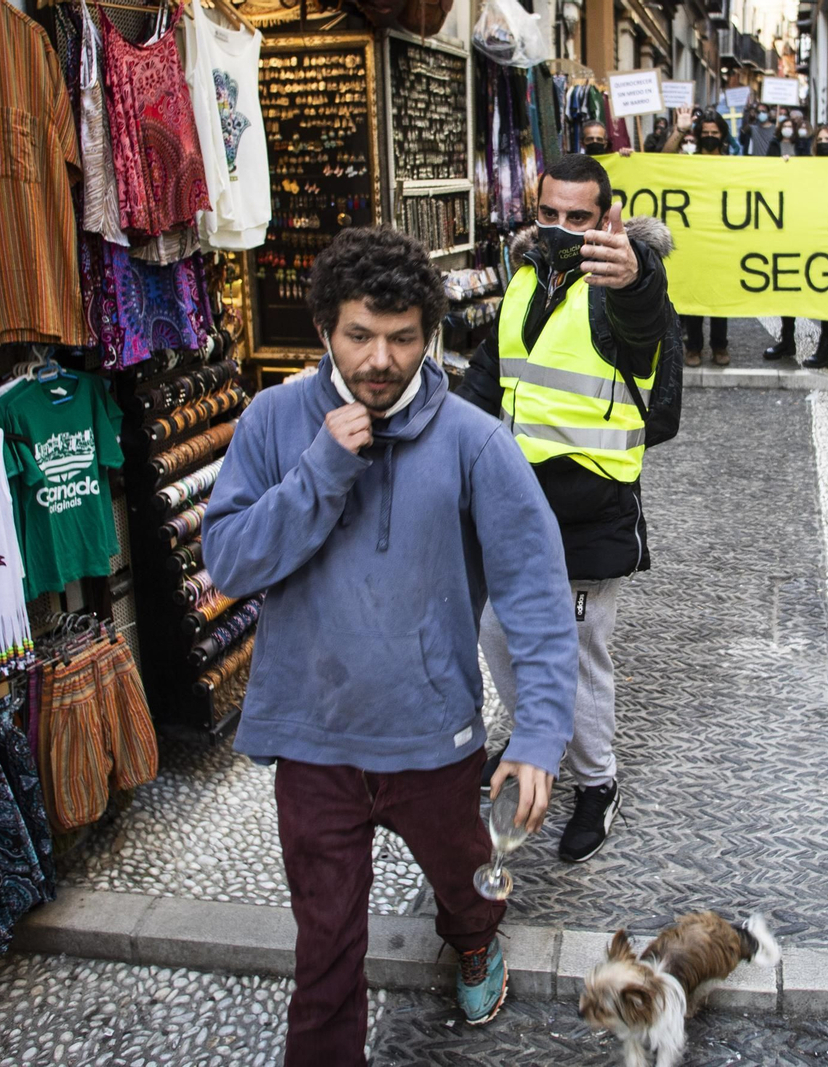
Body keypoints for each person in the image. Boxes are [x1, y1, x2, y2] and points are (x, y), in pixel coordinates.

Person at [205, 227, 579, 1060]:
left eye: (403, 337)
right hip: (314, 741)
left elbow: (537, 595)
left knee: (465, 883)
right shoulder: (273, 422)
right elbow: (229, 559)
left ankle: (475, 937)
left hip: (432, 739)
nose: (381, 357)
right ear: (326, 333)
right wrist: (319, 473)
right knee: (326, 945)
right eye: (360, 335)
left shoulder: (476, 441)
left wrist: (541, 735)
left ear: (429, 334)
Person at [459, 152, 674, 862]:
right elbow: (491, 381)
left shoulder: (624, 283)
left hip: (591, 516)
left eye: (578, 219)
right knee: (499, 636)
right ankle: (535, 748)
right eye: (549, 214)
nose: (561, 229)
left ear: (606, 219)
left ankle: (598, 785)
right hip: (515, 513)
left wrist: (637, 278)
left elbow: (644, 323)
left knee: (577, 657)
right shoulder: (525, 276)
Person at [765, 125, 828, 369]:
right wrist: (786, 167)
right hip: (803, 235)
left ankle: (824, 349)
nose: (823, 143)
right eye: (819, 139)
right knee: (790, 286)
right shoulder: (805, 167)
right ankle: (787, 340)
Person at [662, 107, 731, 365]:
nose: (710, 136)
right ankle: (694, 347)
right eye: (706, 132)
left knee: (720, 293)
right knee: (693, 290)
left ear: (722, 135)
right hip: (692, 236)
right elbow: (664, 159)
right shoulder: (687, 162)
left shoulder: (734, 164)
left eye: (715, 132)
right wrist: (680, 129)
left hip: (722, 237)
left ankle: (720, 346)